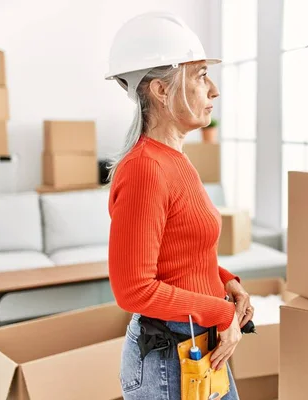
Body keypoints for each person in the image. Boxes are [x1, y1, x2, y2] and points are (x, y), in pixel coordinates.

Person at [104, 12, 252, 400]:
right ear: (161, 90)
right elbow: (134, 289)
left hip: (196, 348)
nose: (214, 90)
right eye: (201, 75)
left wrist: (225, 281)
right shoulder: (144, 169)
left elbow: (181, 250)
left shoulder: (176, 159)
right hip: (169, 358)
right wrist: (220, 313)